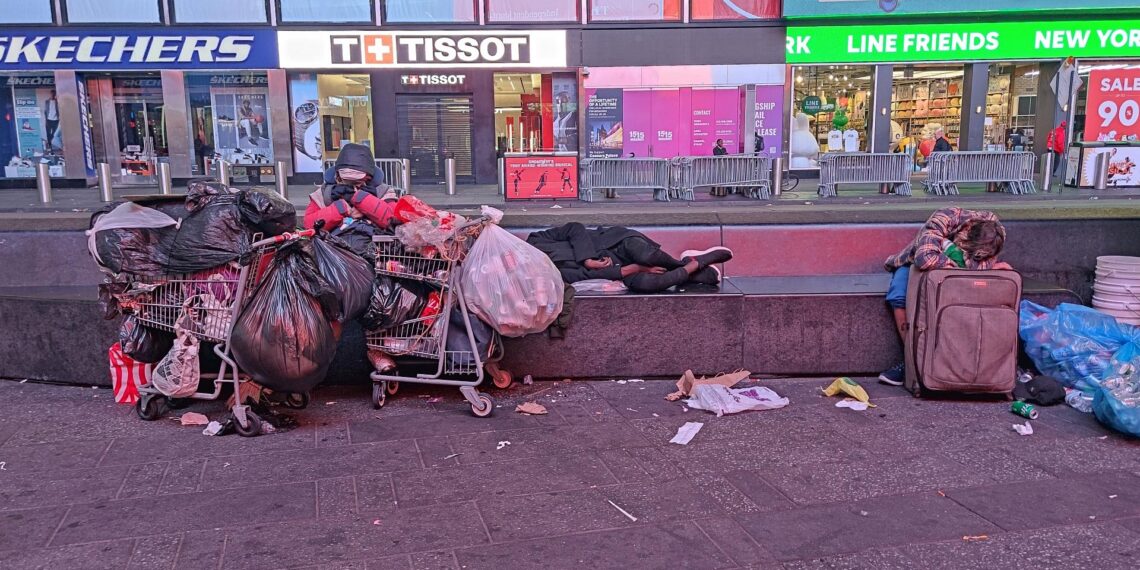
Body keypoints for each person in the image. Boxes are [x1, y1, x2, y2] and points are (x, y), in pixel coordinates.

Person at [878, 207, 1012, 386]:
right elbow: (925, 258)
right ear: (964, 232)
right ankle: (912, 361)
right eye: (966, 249)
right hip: (912, 263)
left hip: (956, 272)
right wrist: (963, 263)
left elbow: (982, 265)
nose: (967, 254)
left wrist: (968, 265)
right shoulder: (943, 218)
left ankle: (969, 364)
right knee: (898, 296)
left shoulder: (995, 231)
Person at [527, 222, 733, 293]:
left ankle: (686, 264)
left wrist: (587, 258)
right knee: (647, 284)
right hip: (619, 271)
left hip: (615, 243)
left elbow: (575, 228)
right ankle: (692, 267)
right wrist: (636, 269)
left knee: (645, 253)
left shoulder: (535, 241)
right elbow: (582, 277)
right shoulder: (550, 275)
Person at [304, 143, 396, 231]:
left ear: (369, 177)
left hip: (375, 245)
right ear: (337, 176)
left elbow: (393, 220)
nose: (352, 185)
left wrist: (361, 200)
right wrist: (341, 208)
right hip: (333, 245)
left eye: (357, 181)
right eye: (346, 180)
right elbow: (309, 225)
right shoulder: (324, 193)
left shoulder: (382, 191)